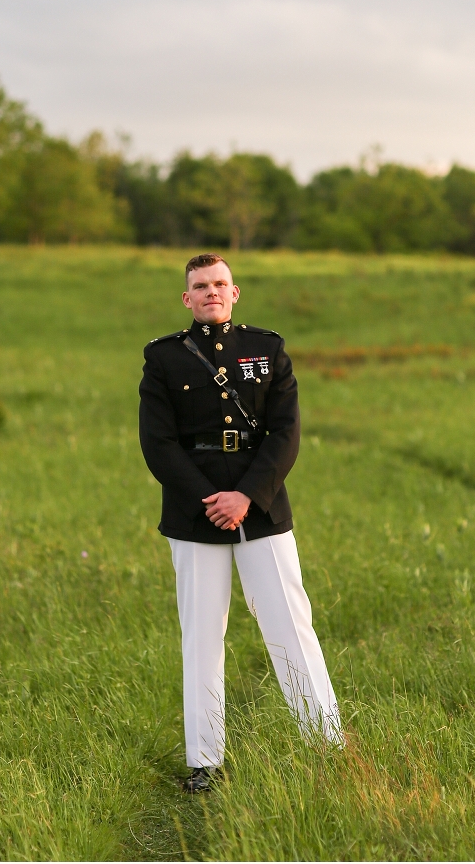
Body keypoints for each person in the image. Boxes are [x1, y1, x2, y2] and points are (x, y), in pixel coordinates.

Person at [139, 252, 342, 793]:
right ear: (187, 298)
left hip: (263, 507)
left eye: (220, 283)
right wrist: (212, 498)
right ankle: (205, 762)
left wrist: (246, 495)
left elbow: (286, 433)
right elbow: (157, 445)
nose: (211, 291)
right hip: (195, 512)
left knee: (291, 629)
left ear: (235, 292)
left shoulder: (267, 350)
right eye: (200, 285)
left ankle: (327, 746)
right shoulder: (163, 359)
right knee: (202, 637)